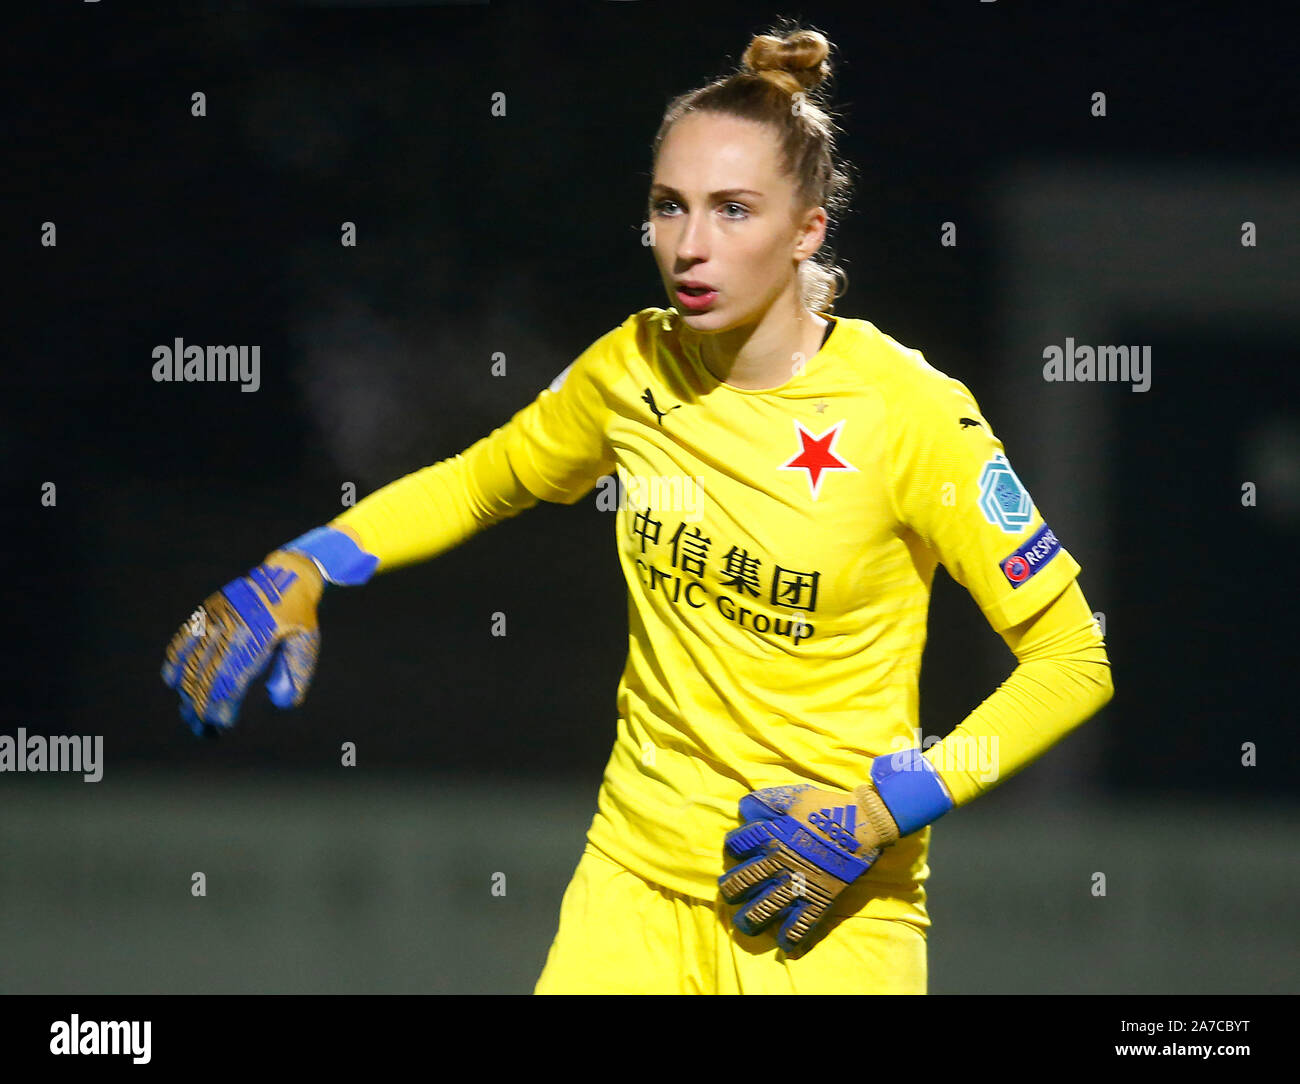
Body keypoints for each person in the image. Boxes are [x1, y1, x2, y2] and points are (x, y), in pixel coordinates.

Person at [162, 22, 1113, 994]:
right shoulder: (630, 368)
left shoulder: (910, 417)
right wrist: (309, 562)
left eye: (733, 211)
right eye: (670, 208)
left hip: (825, 908)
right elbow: (484, 480)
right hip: (631, 891)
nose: (690, 247)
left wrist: (882, 808)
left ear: (806, 229)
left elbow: (1073, 664)